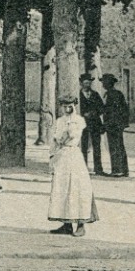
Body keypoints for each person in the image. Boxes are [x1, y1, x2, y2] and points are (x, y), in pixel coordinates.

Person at [49, 96, 98, 236]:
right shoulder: (60, 121)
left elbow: (71, 136)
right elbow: (56, 138)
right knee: (62, 187)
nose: (66, 109)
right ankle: (67, 224)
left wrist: (65, 134)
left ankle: (81, 224)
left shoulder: (78, 120)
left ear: (74, 106)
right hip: (62, 156)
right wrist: (53, 153)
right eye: (64, 106)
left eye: (69, 106)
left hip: (73, 154)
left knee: (77, 187)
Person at [101, 74, 130, 177]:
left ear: (109, 83)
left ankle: (118, 170)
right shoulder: (113, 93)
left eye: (104, 82)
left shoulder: (113, 95)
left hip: (114, 125)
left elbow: (114, 112)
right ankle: (123, 170)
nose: (103, 84)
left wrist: (108, 124)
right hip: (115, 124)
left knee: (115, 147)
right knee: (118, 146)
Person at [79, 74, 106, 175]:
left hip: (95, 123)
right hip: (83, 124)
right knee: (83, 146)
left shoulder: (95, 94)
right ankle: (83, 167)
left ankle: (98, 169)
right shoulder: (78, 95)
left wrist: (94, 112)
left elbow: (102, 108)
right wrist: (83, 114)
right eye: (86, 82)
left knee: (97, 146)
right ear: (81, 83)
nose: (88, 84)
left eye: (89, 82)